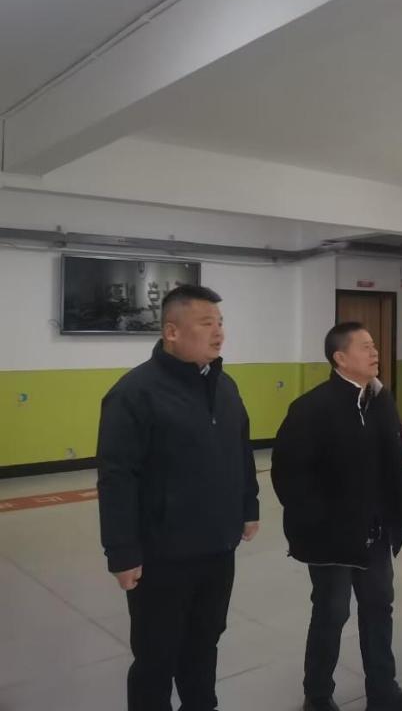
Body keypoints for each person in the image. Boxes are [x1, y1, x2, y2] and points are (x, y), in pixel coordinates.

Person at [97, 285, 260, 711]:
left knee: (204, 644)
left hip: (218, 548)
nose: (218, 332)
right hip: (161, 556)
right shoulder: (134, 393)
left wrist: (249, 507)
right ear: (171, 331)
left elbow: (240, 451)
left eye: (220, 323)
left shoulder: (225, 387)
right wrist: (122, 552)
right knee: (156, 657)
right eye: (206, 323)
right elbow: (117, 478)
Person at [271, 322, 402, 711]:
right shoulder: (311, 408)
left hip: (376, 531)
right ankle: (318, 696)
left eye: (374, 346)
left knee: (378, 608)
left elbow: (394, 461)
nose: (374, 352)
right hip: (332, 538)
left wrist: (401, 503)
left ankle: (383, 691)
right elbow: (288, 476)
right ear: (340, 358)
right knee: (332, 612)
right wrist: (317, 521)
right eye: (364, 347)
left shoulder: (381, 401)